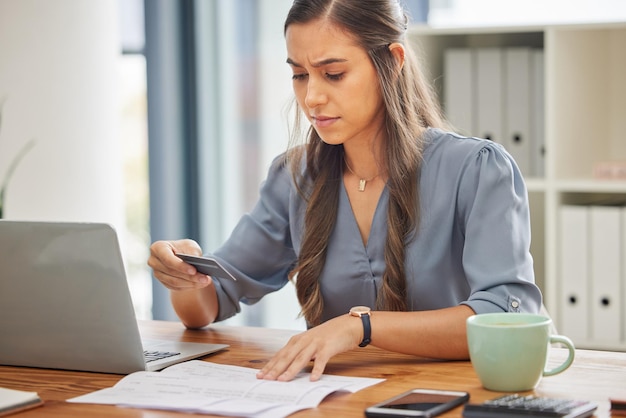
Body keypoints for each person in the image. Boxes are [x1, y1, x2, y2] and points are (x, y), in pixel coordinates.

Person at [148, 0, 542, 383]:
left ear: (393, 61)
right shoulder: (295, 176)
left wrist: (360, 327)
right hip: (335, 401)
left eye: (333, 74)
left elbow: (505, 317)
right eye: (299, 74)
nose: (311, 97)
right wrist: (185, 274)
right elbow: (209, 304)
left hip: (450, 401)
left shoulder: (475, 169)